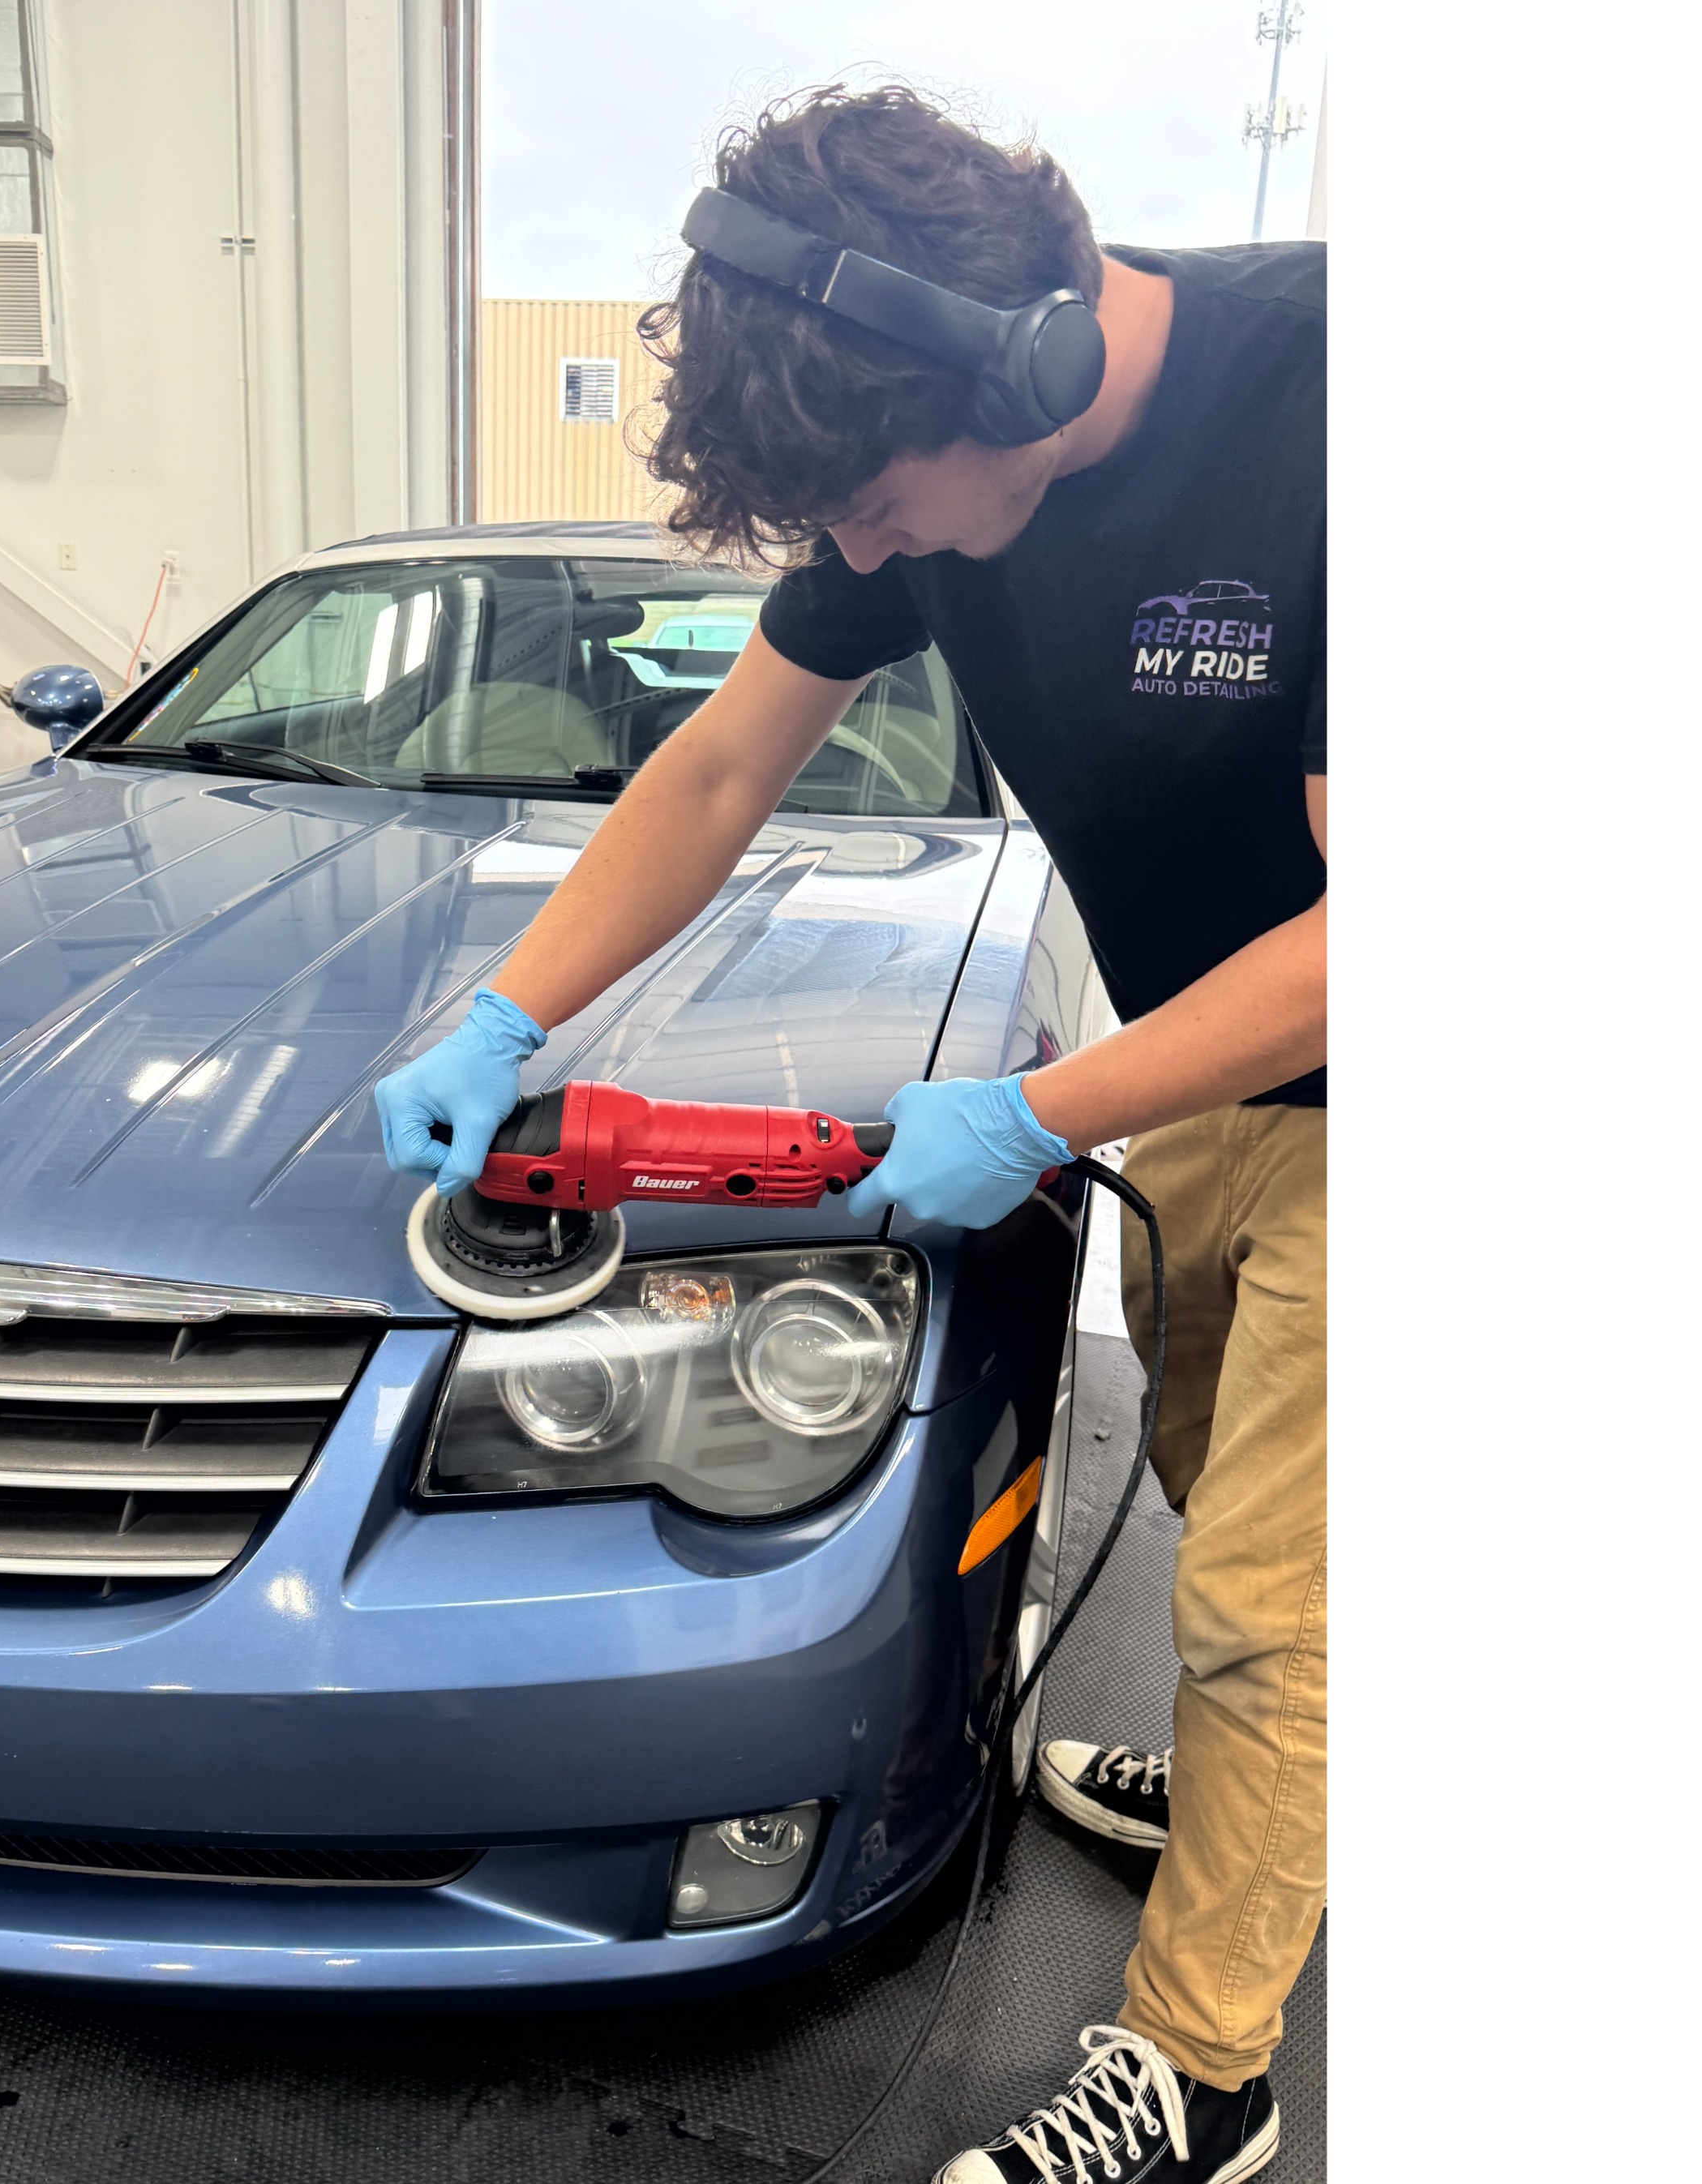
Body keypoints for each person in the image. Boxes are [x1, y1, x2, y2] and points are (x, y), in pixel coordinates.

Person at [375, 84, 1323, 2184]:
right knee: (1200, 1471)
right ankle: (1297, 1800)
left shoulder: (1340, 404)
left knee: (1271, 1598)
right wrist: (508, 1008)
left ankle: (1207, 2078)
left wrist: (1033, 1109)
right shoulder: (925, 481)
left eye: (882, 504)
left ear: (1034, 357)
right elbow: (720, 774)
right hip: (1212, 1074)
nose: (872, 554)